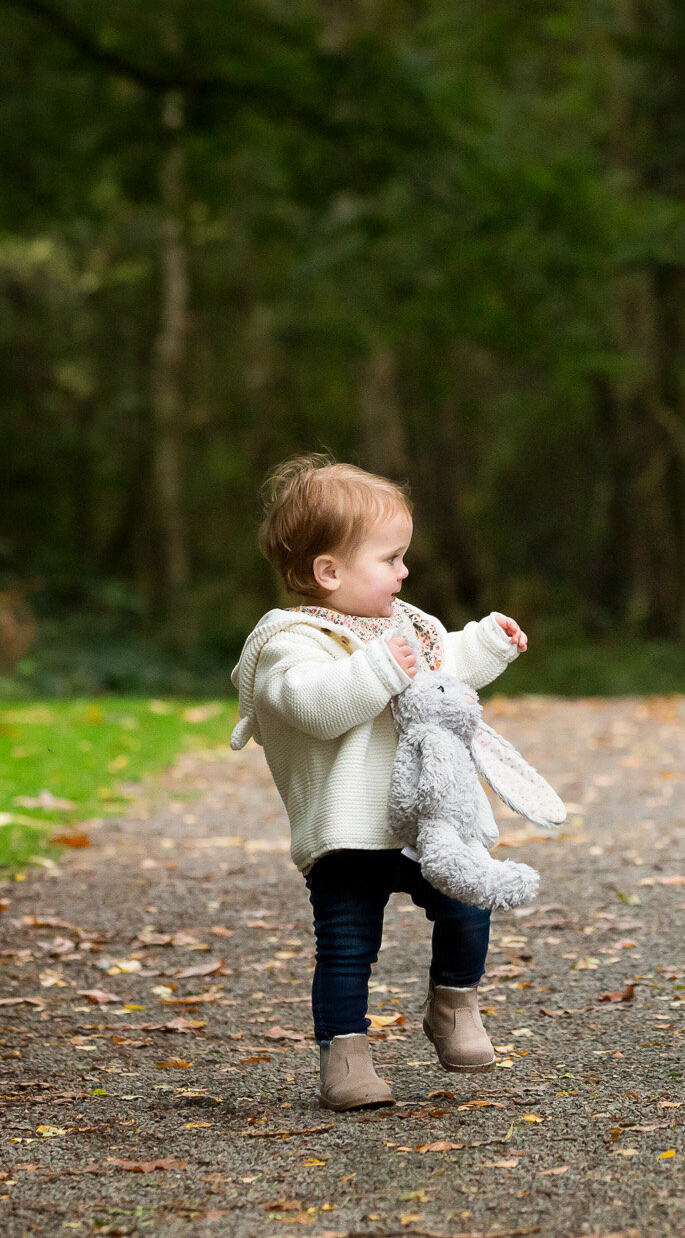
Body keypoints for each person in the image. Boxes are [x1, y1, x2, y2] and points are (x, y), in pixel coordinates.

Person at [229, 455, 531, 1110]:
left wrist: (489, 642)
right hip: (350, 829)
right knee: (345, 944)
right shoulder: (291, 643)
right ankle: (346, 1054)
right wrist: (380, 668)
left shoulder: (406, 627)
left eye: (404, 557)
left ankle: (454, 1002)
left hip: (427, 822)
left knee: (468, 901)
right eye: (390, 558)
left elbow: (448, 660)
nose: (405, 571)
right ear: (328, 571)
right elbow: (315, 705)